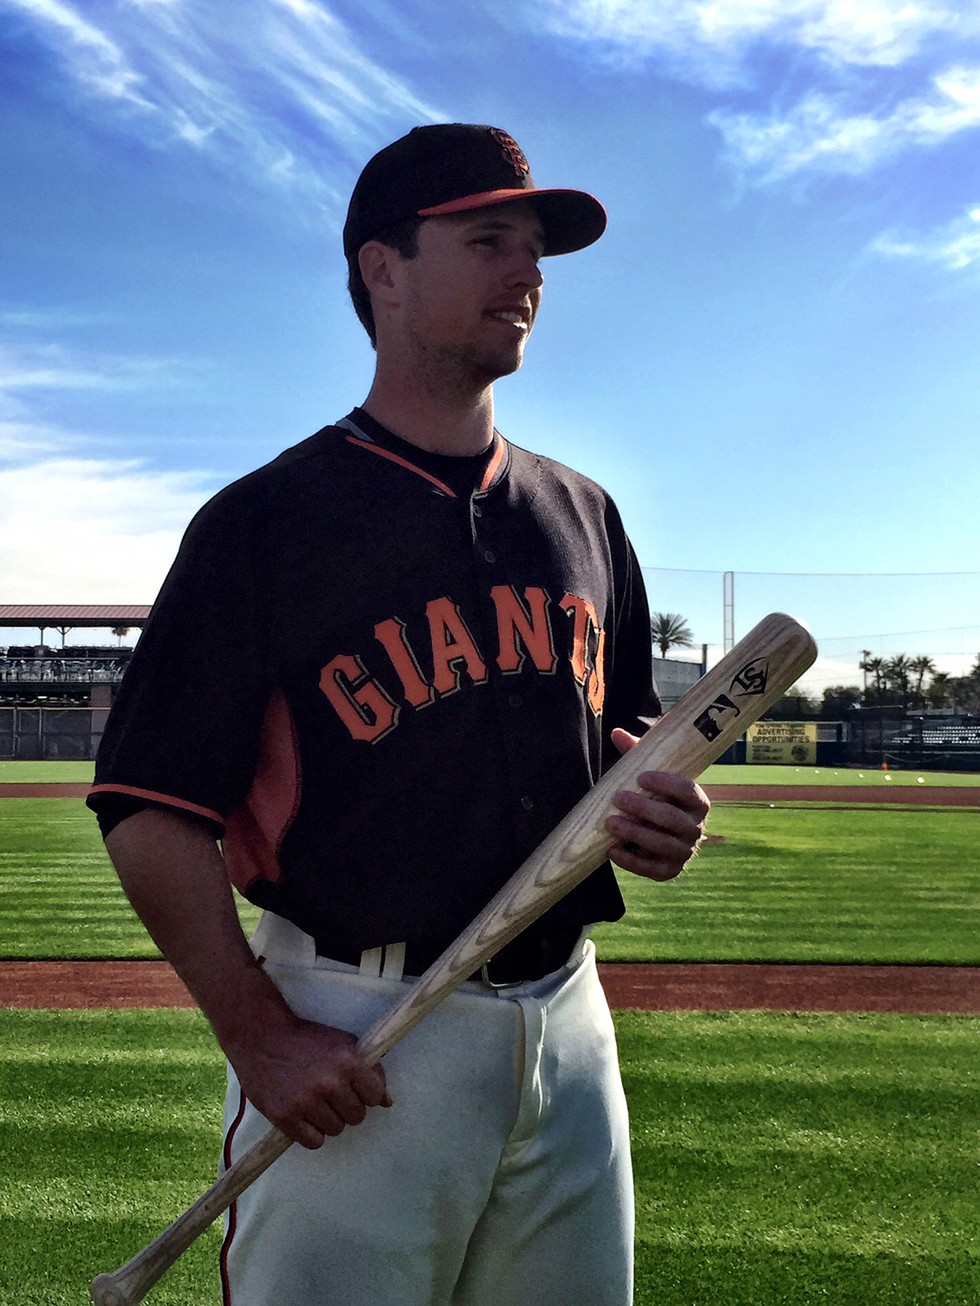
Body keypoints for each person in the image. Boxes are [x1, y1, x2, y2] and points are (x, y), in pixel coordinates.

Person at [88, 123, 709, 1306]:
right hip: (354, 1033)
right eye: (489, 241)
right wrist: (256, 1034)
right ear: (381, 269)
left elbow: (623, 745)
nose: (526, 275)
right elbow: (146, 809)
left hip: (568, 1017)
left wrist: (654, 815)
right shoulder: (265, 523)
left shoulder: (583, 514)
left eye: (534, 250)